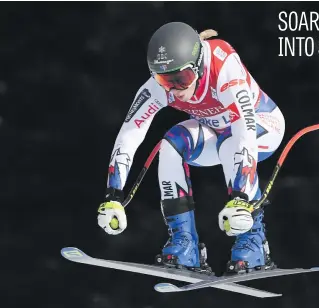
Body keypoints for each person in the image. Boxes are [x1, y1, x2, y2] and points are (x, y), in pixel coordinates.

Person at [97, 22, 285, 274]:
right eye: (165, 80)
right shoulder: (159, 87)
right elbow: (130, 133)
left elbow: (244, 129)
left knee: (231, 141)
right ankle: (185, 245)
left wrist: (240, 199)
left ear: (197, 65)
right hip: (218, 131)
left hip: (262, 125)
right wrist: (113, 196)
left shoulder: (223, 66)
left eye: (182, 78)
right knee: (171, 144)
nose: (175, 88)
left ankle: (254, 241)